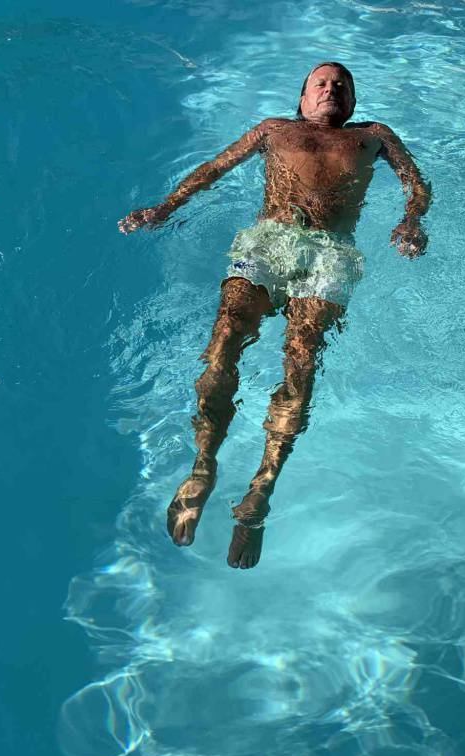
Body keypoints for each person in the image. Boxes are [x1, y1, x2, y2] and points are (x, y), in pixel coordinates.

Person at [118, 62, 431, 569]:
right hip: (268, 242)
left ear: (353, 102)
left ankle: (261, 490)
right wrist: (166, 207)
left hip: (331, 252)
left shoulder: (374, 135)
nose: (331, 89)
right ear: (302, 99)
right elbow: (214, 169)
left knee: (301, 360)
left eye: (342, 85)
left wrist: (412, 220)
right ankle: (203, 464)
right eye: (320, 84)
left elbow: (417, 185)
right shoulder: (274, 130)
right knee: (225, 341)